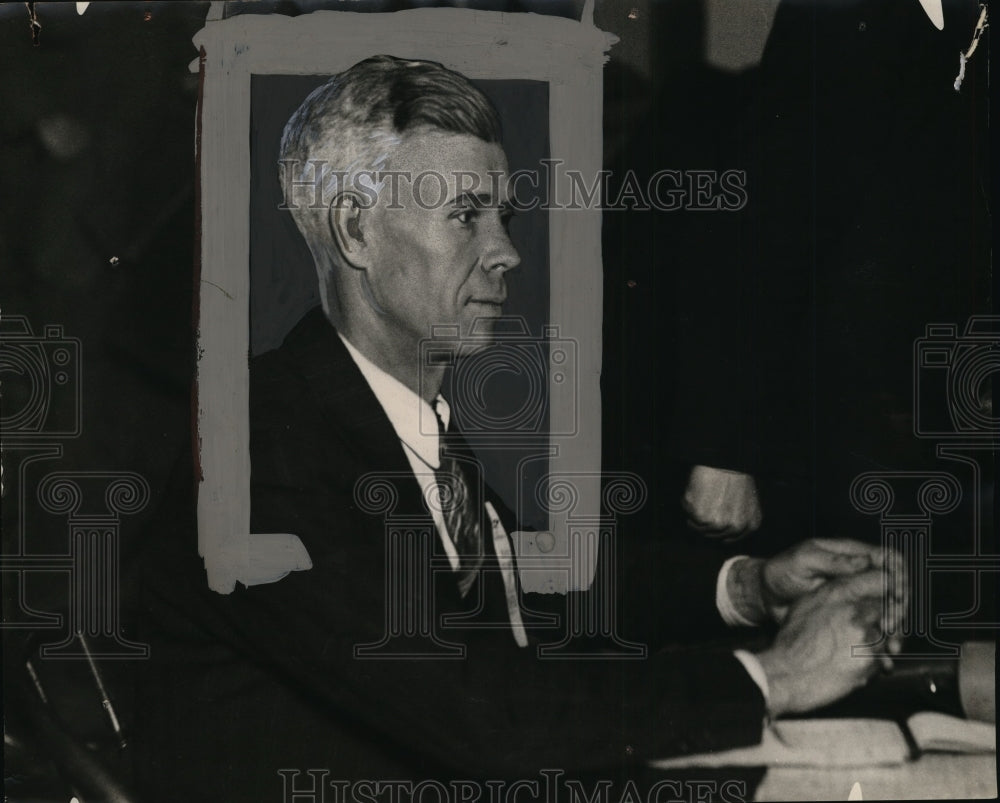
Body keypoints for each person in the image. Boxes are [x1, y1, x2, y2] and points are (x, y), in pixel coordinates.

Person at [134, 55, 903, 803]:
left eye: (504, 216)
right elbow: (494, 721)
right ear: (355, 231)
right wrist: (779, 674)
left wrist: (745, 587)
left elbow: (519, 596)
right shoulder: (264, 455)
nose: (505, 252)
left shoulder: (389, 416)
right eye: (464, 216)